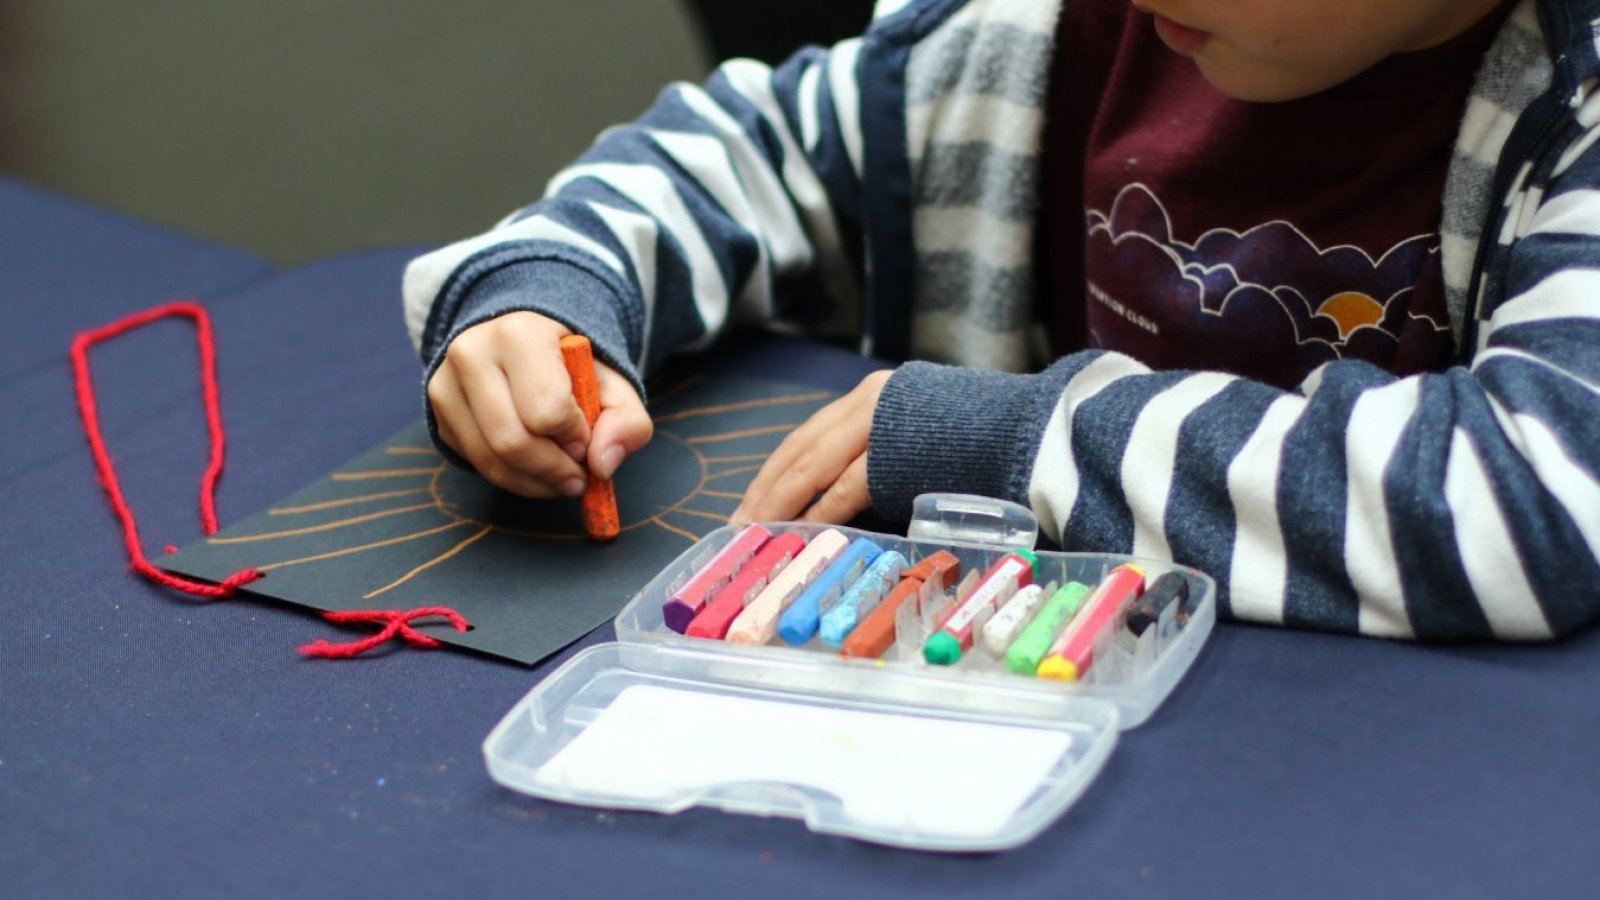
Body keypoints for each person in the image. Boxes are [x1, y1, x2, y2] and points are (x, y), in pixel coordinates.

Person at [402, 0, 1600, 641]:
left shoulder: (1571, 123)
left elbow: (1528, 502)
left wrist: (1019, 441)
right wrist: (544, 290)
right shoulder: (1044, 37)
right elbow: (748, 150)